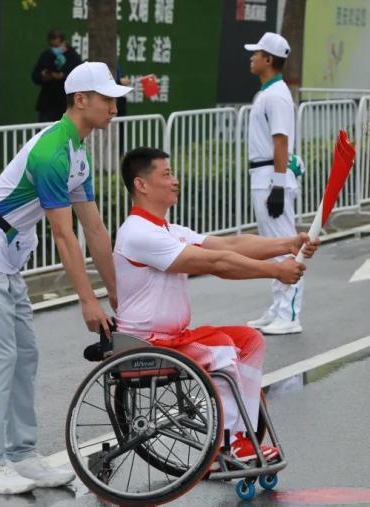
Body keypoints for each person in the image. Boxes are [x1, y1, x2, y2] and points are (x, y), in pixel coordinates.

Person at [0, 62, 131, 494]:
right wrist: (88, 300)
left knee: (25, 356)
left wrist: (117, 295)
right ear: (80, 100)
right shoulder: (52, 153)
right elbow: (64, 236)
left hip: (5, 261)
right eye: (106, 99)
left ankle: (23, 454)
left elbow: (95, 229)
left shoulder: (77, 151)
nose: (114, 108)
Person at [114, 147, 317, 461]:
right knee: (222, 348)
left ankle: (241, 435)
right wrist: (276, 271)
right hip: (148, 342)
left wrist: (287, 243)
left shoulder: (168, 230)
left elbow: (229, 244)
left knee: (249, 340)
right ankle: (229, 443)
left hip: (174, 339)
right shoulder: (139, 233)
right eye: (166, 174)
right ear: (141, 184)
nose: (175, 180)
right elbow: (217, 263)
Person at [243, 32, 305, 335]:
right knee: (272, 248)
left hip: (271, 177)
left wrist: (279, 185)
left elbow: (281, 142)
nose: (252, 57)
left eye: (256, 53)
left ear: (268, 59)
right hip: (264, 175)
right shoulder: (267, 93)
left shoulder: (277, 95)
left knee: (284, 247)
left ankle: (289, 314)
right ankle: (278, 307)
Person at [31, 29, 82, 122]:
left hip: (66, 102)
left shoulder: (72, 56)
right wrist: (44, 77)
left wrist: (62, 76)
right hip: (48, 102)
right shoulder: (47, 55)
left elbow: (78, 74)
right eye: (53, 46)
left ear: (63, 42)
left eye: (57, 46)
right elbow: (35, 76)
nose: (55, 49)